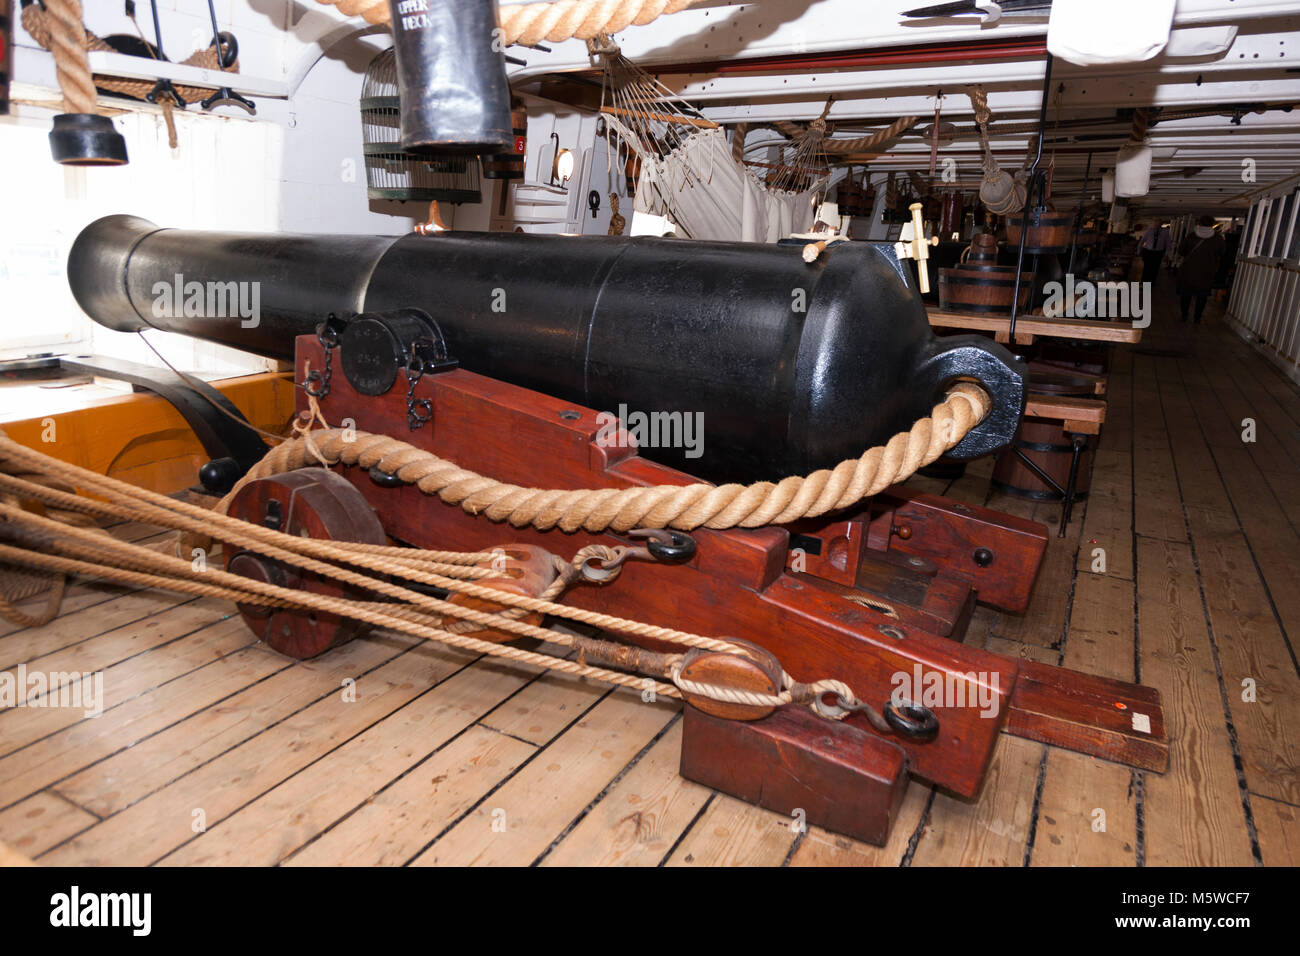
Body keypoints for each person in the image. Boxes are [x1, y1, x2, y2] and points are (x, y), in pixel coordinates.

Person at [1175, 216, 1225, 324]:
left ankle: (1184, 316)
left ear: (1199, 223)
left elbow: (1181, 251)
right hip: (1207, 272)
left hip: (1188, 271)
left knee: (1186, 295)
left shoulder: (1191, 236)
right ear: (1213, 224)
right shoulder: (1218, 238)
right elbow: (1222, 253)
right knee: (1202, 296)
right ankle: (1197, 318)